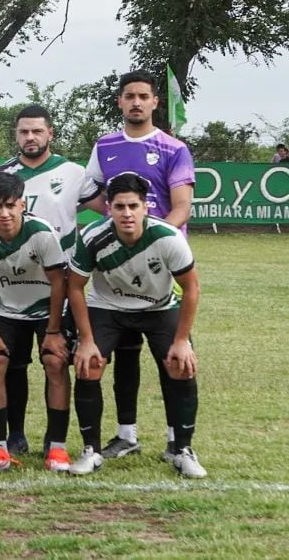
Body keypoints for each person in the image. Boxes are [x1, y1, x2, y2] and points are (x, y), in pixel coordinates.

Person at [85, 69, 195, 461]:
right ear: (120, 101)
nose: (135, 102)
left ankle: (177, 443)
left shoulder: (172, 148)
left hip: (162, 265)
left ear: (154, 102)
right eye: (128, 95)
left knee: (171, 355)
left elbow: (181, 207)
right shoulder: (105, 146)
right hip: (116, 267)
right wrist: (119, 226)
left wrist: (150, 238)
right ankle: (126, 435)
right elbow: (90, 197)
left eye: (143, 96)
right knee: (125, 354)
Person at [68, 173, 206, 478]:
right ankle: (91, 450)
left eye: (133, 206)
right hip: (108, 307)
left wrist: (182, 340)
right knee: (89, 364)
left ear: (145, 207)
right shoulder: (92, 236)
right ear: (109, 209)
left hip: (158, 307)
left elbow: (192, 288)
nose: (127, 213)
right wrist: (87, 340)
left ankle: (181, 450)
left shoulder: (167, 237)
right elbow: (75, 287)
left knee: (180, 365)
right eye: (119, 207)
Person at [0, 104, 103, 454]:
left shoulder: (72, 172)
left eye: (37, 131)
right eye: (23, 132)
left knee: (55, 360)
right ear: (16, 135)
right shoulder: (0, 175)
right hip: (10, 286)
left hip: (58, 284)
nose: (30, 137)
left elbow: (105, 208)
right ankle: (16, 434)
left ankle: (57, 441)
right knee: (12, 365)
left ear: (50, 133)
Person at [0, 172, 70, 472]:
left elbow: (59, 282)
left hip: (43, 310)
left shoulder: (42, 232)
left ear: (22, 204)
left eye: (11, 205)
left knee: (55, 361)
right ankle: (0, 448)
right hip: (3, 310)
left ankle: (57, 448)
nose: (4, 213)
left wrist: (53, 331)